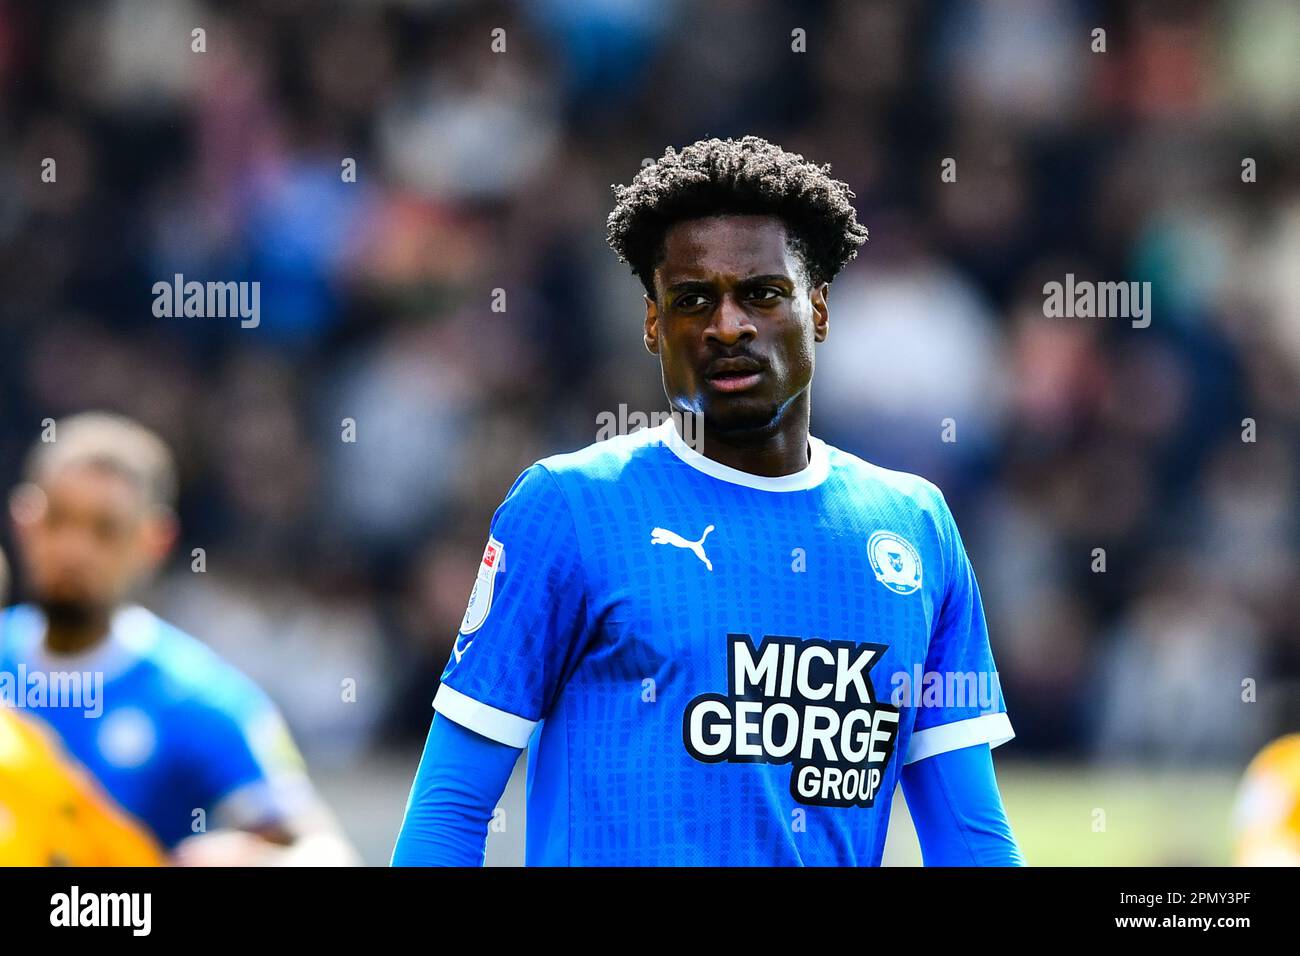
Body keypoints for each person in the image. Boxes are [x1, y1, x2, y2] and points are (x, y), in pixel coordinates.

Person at [393, 136, 1024, 866]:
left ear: (817, 310)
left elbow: (970, 838)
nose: (728, 326)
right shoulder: (570, 508)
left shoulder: (916, 528)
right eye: (694, 300)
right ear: (654, 325)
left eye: (761, 293)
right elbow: (450, 812)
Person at [0, 412, 357, 865]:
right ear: (24, 519)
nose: (74, 550)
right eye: (58, 520)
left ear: (155, 540)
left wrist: (242, 858)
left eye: (105, 529)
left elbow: (324, 854)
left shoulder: (198, 696)